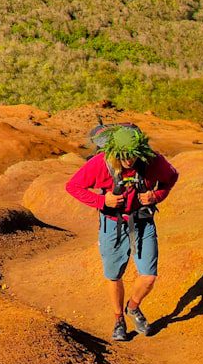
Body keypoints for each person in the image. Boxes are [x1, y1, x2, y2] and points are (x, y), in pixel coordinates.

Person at [64, 124, 179, 341]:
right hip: (112, 223)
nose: (129, 160)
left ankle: (133, 307)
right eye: (124, 156)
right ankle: (118, 320)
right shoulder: (100, 164)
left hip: (143, 221)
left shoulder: (152, 160)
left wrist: (157, 196)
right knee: (114, 275)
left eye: (133, 156)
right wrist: (101, 201)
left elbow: (171, 177)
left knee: (149, 276)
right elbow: (73, 186)